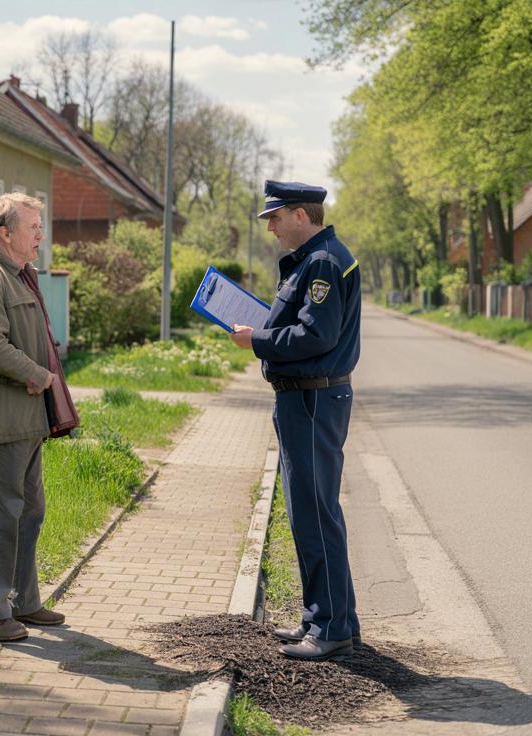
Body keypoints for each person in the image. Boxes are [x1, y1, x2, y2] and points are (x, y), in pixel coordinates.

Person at [230, 180, 362, 661]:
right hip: (306, 400)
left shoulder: (322, 262)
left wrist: (257, 341)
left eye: (275, 218)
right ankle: (327, 618)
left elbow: (314, 336)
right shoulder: (314, 259)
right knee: (311, 513)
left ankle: (330, 629)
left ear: (300, 216)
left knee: (315, 514)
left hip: (312, 400)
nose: (271, 228)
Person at [0, 192, 78, 642]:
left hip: (25, 417)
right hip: (3, 415)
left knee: (28, 510)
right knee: (0, 512)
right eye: (33, 228)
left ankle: (23, 602)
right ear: (5, 233)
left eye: (40, 227)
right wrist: (35, 374)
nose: (41, 236)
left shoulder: (17, 275)